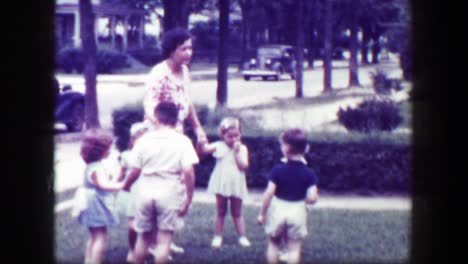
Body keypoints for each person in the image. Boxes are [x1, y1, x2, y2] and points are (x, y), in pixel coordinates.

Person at [125, 102, 199, 263]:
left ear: (155, 118)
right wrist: (188, 197)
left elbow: (135, 170)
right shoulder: (182, 141)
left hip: (144, 192)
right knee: (164, 240)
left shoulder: (143, 141)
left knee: (143, 237)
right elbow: (188, 171)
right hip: (169, 192)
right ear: (176, 120)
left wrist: (126, 186)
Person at [257, 128, 319, 264]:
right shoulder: (309, 172)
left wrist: (262, 213)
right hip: (298, 210)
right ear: (306, 149)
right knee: (294, 248)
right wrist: (306, 200)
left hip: (278, 209)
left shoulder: (277, 170)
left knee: (274, 244)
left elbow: (269, 193)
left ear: (286, 148)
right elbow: (313, 197)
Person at [142, 27, 207, 144]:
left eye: (190, 48)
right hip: (157, 134)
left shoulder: (185, 71)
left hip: (177, 132)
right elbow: (149, 107)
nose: (189, 53)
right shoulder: (159, 73)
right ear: (172, 51)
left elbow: (187, 101)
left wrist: (198, 128)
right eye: (183, 49)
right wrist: (165, 131)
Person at [71, 129, 126, 264]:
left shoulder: (93, 165)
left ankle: (89, 261)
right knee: (100, 237)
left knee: (94, 236)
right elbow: (104, 185)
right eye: (109, 148)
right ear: (101, 151)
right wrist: (123, 185)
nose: (111, 150)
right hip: (96, 205)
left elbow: (106, 181)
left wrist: (119, 173)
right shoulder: (96, 168)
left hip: (91, 203)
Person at [198, 117, 251, 249]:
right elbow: (204, 151)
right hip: (222, 183)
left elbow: (243, 166)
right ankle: (218, 236)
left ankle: (242, 236)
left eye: (236, 136)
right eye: (229, 136)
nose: (233, 139)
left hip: (236, 183)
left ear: (240, 134)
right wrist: (200, 143)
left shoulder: (242, 148)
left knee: (237, 212)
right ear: (223, 135)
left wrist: (237, 153)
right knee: (221, 211)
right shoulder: (218, 146)